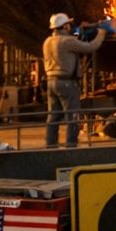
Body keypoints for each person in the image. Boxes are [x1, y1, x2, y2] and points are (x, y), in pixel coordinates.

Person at [42, 12, 107, 148]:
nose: (70, 26)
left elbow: (74, 40)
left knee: (53, 117)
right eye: (69, 25)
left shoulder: (48, 41)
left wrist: (84, 28)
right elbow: (90, 47)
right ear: (65, 26)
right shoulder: (68, 42)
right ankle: (71, 146)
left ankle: (50, 146)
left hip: (51, 83)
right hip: (67, 83)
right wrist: (101, 33)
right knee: (73, 117)